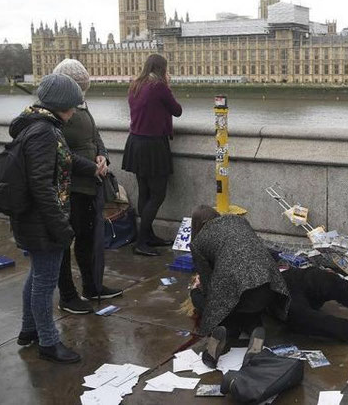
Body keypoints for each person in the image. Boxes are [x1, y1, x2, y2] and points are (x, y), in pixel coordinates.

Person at [188, 205, 348, 363]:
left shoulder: (201, 246)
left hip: (278, 284)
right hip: (276, 287)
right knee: (304, 313)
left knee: (326, 283)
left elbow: (214, 291)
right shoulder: (237, 223)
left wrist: (202, 291)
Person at [10, 73, 104, 363]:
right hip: (42, 221)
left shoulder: (43, 125)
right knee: (44, 283)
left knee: (36, 275)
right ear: (62, 104)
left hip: (36, 220)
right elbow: (41, 185)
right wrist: (61, 227)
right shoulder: (43, 132)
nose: (76, 110)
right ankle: (48, 343)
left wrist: (92, 168)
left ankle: (28, 331)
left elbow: (64, 158)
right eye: (73, 105)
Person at [52, 59, 123, 315]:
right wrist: (90, 166)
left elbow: (96, 136)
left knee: (87, 239)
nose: (81, 95)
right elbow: (60, 152)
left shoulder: (80, 105)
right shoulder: (56, 112)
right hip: (71, 187)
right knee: (65, 243)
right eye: (78, 89)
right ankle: (68, 295)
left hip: (90, 185)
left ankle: (91, 286)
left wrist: (102, 155)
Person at [187, 205, 291, 367]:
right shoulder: (239, 221)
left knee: (219, 306)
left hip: (238, 291)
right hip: (269, 286)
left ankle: (220, 335)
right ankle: (255, 331)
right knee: (246, 307)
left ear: (198, 225)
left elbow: (209, 289)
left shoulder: (198, 242)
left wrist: (195, 289)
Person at [122, 54, 183, 256]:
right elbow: (177, 110)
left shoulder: (135, 85)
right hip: (153, 145)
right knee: (158, 194)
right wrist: (168, 85)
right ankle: (141, 242)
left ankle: (148, 236)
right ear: (161, 69)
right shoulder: (159, 87)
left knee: (144, 192)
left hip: (135, 142)